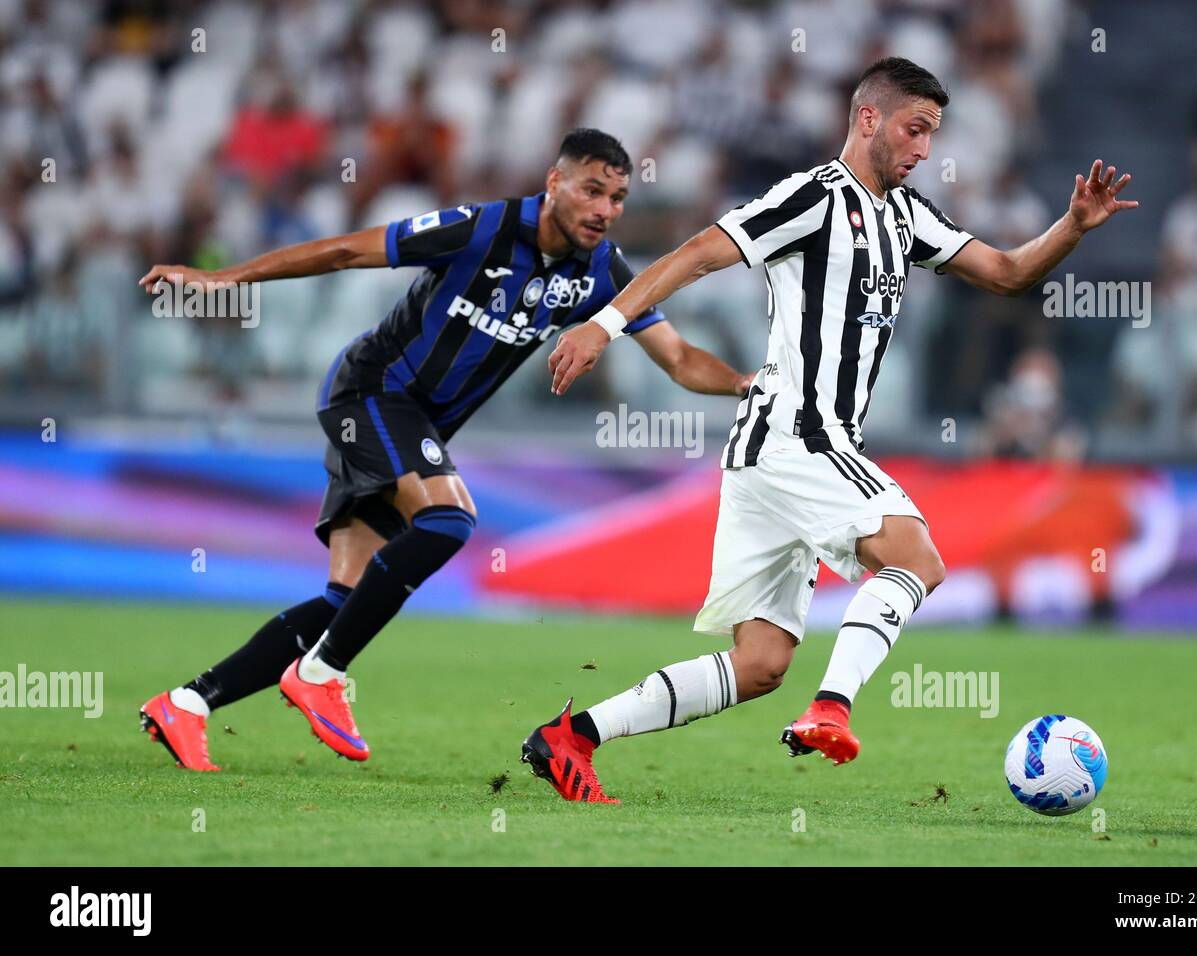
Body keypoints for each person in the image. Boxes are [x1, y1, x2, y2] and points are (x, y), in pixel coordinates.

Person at [524, 57, 1137, 804]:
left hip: (774, 450)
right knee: (916, 556)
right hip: (797, 432)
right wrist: (604, 323)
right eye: (915, 129)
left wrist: (1072, 227)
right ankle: (831, 708)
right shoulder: (814, 198)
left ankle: (573, 736)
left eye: (933, 135)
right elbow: (698, 253)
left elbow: (1007, 271)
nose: (923, 149)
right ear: (870, 119)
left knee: (758, 664)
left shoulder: (907, 216)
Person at [136, 129, 752, 772]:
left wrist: (744, 384)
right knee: (448, 519)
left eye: (618, 197)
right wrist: (225, 278)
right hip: (370, 394)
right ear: (554, 182)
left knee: (344, 600)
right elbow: (348, 251)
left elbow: (678, 359)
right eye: (592, 190)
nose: (605, 209)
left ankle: (189, 703)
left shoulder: (599, 272)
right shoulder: (479, 229)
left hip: (414, 425)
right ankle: (320, 671)